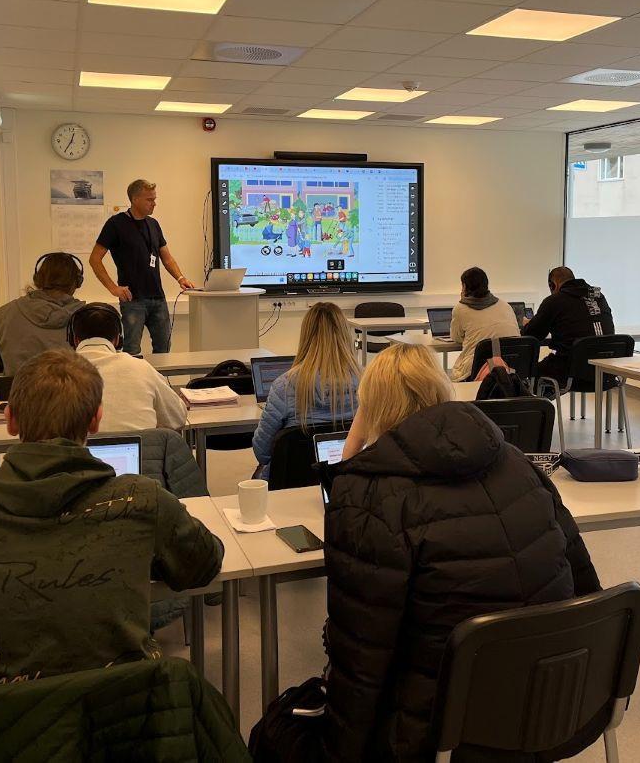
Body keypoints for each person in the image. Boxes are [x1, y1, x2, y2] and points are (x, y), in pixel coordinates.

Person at [326, 344, 600, 760]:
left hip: (443, 728)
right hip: (555, 701)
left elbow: (362, 655)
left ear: (371, 407)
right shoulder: (518, 461)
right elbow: (586, 586)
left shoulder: (369, 497)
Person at [0, 350, 224, 688]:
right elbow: (204, 563)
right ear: (96, 420)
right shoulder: (141, 498)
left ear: (10, 419)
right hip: (118, 708)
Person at [252, 302, 359, 479]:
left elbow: (262, 452)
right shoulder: (367, 385)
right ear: (345, 335)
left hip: (288, 487)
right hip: (347, 485)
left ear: (306, 337)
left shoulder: (284, 386)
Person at [90, 179, 195, 356]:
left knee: (164, 349)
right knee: (132, 351)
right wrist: (113, 288)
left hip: (158, 298)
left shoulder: (153, 224)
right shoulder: (116, 224)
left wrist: (180, 278)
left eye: (154, 199)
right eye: (149, 200)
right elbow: (95, 259)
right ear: (134, 199)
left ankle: (157, 376)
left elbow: (167, 258)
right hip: (133, 300)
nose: (154, 204)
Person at [69, 302, 187, 433]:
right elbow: (177, 418)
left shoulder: (54, 372)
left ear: (74, 340)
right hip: (142, 446)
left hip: (74, 447)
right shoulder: (142, 368)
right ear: (118, 340)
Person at [0, 252, 84, 376]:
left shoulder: (5, 314)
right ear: (78, 282)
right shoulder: (91, 318)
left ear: (37, 279)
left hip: (21, 388)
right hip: (73, 388)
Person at [521, 265, 615, 385]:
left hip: (571, 372)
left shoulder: (554, 301)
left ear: (553, 285)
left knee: (528, 374)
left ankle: (544, 396)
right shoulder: (598, 296)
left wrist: (528, 325)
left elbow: (532, 335)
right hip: (605, 373)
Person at [449, 266, 520, 381]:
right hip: (511, 371)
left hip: (477, 372)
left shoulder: (460, 309)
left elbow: (456, 338)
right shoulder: (505, 305)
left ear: (465, 287)